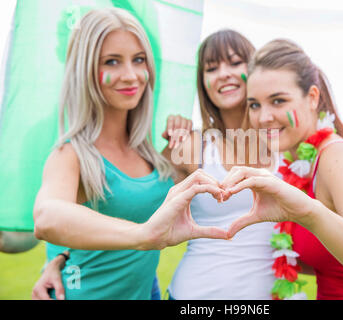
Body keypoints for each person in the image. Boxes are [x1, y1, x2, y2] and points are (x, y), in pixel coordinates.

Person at [32, 30, 343, 300]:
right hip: (193, 294)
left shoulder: (296, 154)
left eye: (235, 62)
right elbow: (126, 201)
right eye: (210, 66)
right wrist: (61, 255)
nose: (223, 74)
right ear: (202, 82)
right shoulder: (190, 147)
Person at [32, 8, 228, 300]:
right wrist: (143, 236)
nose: (131, 75)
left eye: (138, 60)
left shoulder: (150, 153)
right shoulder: (71, 154)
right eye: (112, 61)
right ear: (85, 70)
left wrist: (58, 257)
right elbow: (47, 217)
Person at [220, 39, 343, 299]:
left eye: (278, 101)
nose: (263, 116)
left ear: (312, 97)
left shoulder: (338, 159)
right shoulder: (300, 167)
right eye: (254, 104)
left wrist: (309, 213)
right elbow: (331, 259)